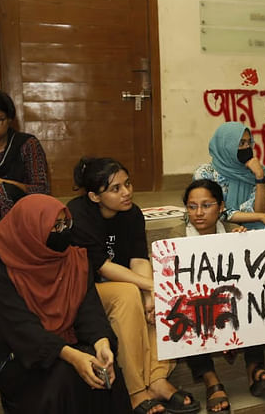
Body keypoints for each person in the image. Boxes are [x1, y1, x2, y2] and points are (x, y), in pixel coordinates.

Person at [68, 158, 199, 414]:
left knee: (159, 299)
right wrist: (150, 284)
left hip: (122, 281)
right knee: (128, 294)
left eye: (127, 183)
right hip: (85, 290)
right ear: (95, 196)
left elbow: (139, 258)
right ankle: (135, 390)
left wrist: (151, 294)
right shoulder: (78, 216)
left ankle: (158, 378)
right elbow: (102, 267)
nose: (127, 192)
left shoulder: (133, 212)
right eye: (115, 189)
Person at [0, 194, 131, 413]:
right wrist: (74, 357)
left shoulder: (74, 261)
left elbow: (89, 312)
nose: (63, 231)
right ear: (31, 232)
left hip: (71, 343)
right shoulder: (3, 276)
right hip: (25, 358)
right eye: (55, 226)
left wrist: (102, 344)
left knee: (105, 373)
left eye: (66, 223)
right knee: (64, 379)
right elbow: (25, 332)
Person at [177, 179, 265, 412]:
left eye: (206, 205)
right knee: (187, 313)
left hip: (229, 305)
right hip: (201, 309)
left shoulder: (236, 234)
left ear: (221, 207)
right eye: (192, 206)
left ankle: (255, 370)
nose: (199, 213)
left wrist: (243, 245)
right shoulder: (175, 238)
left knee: (251, 299)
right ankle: (211, 380)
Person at [0, 86, 50, 272]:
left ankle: (6, 259)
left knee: (2, 193)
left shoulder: (27, 144)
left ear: (9, 119)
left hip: (18, 217)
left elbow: (42, 189)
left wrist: (8, 184)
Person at [194, 122, 265, 230]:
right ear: (226, 145)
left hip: (251, 226)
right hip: (218, 226)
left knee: (263, 227)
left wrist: (259, 177)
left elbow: (261, 210)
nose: (247, 147)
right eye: (241, 143)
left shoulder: (255, 170)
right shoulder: (205, 173)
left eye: (249, 142)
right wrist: (261, 217)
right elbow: (215, 211)